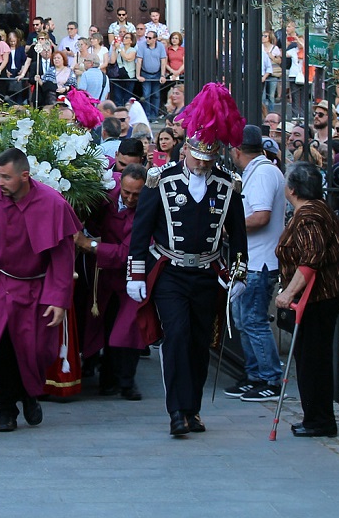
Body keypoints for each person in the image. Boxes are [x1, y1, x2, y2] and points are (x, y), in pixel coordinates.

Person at [127, 83, 248, 437]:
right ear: (186, 152)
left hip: (208, 273)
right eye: (198, 159)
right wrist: (136, 274)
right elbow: (140, 231)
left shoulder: (227, 185)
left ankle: (192, 409)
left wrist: (240, 274)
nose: (202, 165)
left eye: (209, 161)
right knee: (176, 336)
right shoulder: (160, 180)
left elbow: (238, 236)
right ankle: (176, 412)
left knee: (199, 343)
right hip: (170, 272)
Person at [0, 148, 78, 432]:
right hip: (1, 284)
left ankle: (30, 393)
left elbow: (63, 256)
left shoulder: (53, 203)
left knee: (35, 350)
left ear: (24, 176)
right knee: (1, 348)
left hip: (38, 287)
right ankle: (6, 410)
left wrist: (59, 299)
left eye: (6, 177)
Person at [276, 162, 339, 437]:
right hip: (328, 292)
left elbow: (311, 258)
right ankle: (316, 417)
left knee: (313, 359)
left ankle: (319, 420)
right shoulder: (318, 207)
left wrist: (288, 293)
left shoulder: (308, 216)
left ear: (293, 189)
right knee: (312, 357)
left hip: (321, 295)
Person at [223, 125, 288, 402]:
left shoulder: (262, 173)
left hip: (260, 262)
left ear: (236, 151)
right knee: (243, 320)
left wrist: (229, 228)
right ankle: (255, 375)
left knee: (253, 321)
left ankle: (270, 378)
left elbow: (261, 216)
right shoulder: (257, 170)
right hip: (249, 260)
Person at [80, 163, 148, 399]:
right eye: (126, 192)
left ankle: (127, 383)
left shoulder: (148, 209)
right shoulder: (106, 196)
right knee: (104, 325)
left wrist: (91, 245)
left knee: (128, 330)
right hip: (104, 275)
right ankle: (107, 381)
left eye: (136, 195)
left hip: (133, 276)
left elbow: (126, 253)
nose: (129, 199)